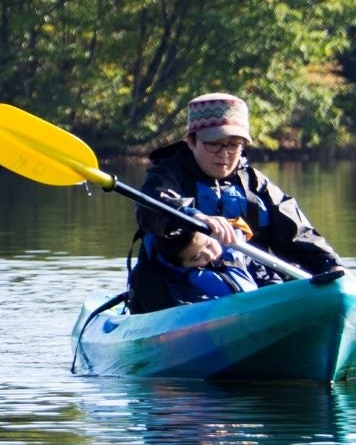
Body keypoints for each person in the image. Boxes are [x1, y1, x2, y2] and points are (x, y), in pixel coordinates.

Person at [128, 91, 340, 312]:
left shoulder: (255, 184)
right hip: (175, 289)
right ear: (191, 141)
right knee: (147, 279)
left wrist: (330, 265)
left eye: (234, 144)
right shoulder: (167, 174)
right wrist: (195, 216)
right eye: (214, 144)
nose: (225, 154)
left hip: (247, 284)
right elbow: (151, 209)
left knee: (295, 280)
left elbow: (298, 235)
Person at [126, 223, 261, 313]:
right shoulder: (170, 282)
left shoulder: (238, 251)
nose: (209, 256)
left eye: (208, 245)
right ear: (181, 265)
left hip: (251, 308)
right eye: (196, 258)